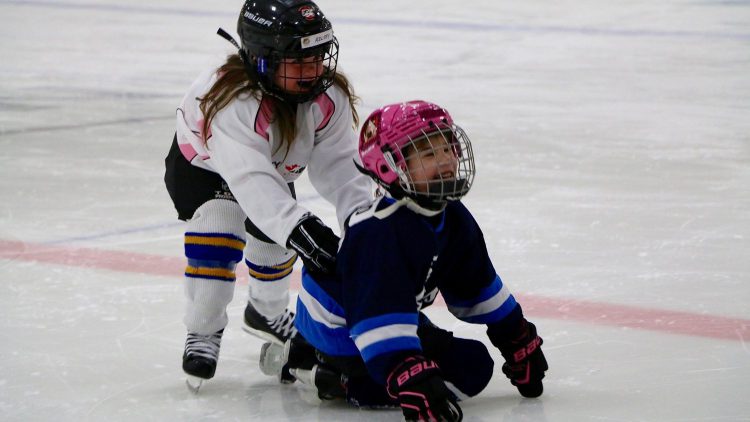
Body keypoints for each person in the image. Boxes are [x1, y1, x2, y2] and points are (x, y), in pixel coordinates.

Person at [260, 100, 549, 421]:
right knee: (445, 378)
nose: (445, 161)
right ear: (389, 167)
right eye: (428, 154)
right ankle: (328, 376)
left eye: (447, 149)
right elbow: (376, 317)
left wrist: (515, 335)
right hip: (340, 323)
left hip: (389, 311)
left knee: (473, 365)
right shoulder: (378, 231)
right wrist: (408, 373)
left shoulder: (452, 216)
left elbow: (475, 286)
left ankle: (312, 356)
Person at [163, 0, 372, 391]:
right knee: (219, 228)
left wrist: (362, 218)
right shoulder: (232, 103)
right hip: (203, 169)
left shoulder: (326, 98)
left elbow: (341, 168)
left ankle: (267, 313)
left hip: (269, 167)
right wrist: (301, 226)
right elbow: (251, 181)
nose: (312, 70)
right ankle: (203, 330)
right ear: (262, 59)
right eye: (298, 60)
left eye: (317, 57)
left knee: (277, 248)